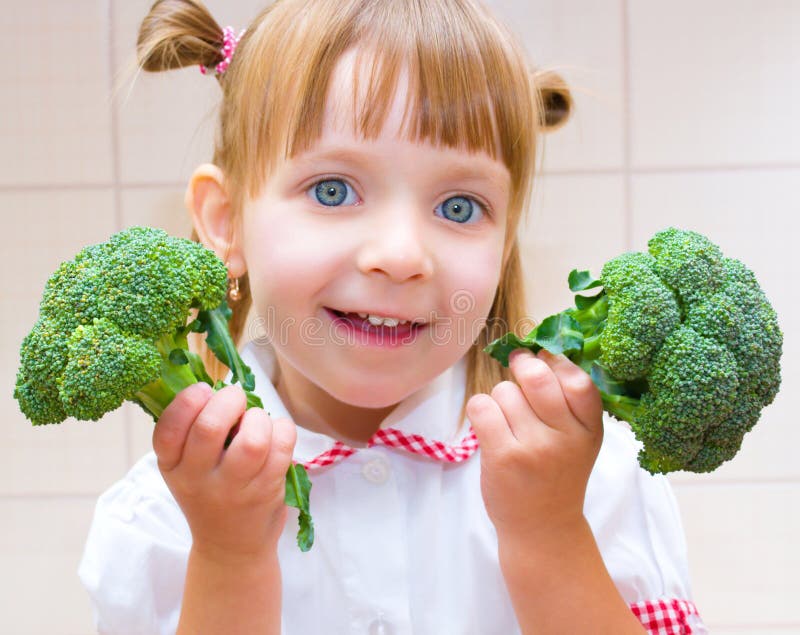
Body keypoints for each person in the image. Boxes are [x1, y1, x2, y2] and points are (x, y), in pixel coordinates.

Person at [78, 0, 708, 633]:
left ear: (506, 241)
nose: (402, 256)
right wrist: (229, 558)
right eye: (333, 190)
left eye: (459, 207)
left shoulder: (589, 475)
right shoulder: (157, 518)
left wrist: (549, 533)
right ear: (225, 222)